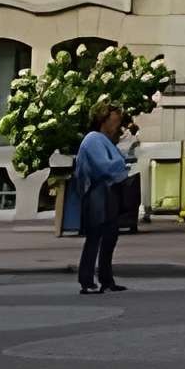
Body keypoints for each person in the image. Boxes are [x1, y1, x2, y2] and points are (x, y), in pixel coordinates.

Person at [71, 105, 134, 296]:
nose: (116, 125)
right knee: (96, 236)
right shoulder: (93, 140)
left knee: (110, 236)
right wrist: (124, 162)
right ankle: (88, 280)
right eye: (113, 120)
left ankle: (106, 279)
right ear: (103, 120)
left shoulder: (103, 140)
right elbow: (104, 167)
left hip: (107, 191)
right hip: (98, 191)